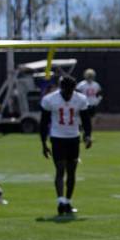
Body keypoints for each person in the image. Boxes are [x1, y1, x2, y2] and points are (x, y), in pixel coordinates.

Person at [40, 75, 92, 216]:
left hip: (73, 138)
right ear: (61, 88)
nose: (68, 95)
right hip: (57, 138)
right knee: (60, 170)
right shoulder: (50, 99)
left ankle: (67, 202)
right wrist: (43, 143)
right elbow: (44, 123)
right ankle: (61, 201)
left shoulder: (80, 99)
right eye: (66, 92)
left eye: (70, 92)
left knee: (71, 172)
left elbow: (86, 119)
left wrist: (88, 135)